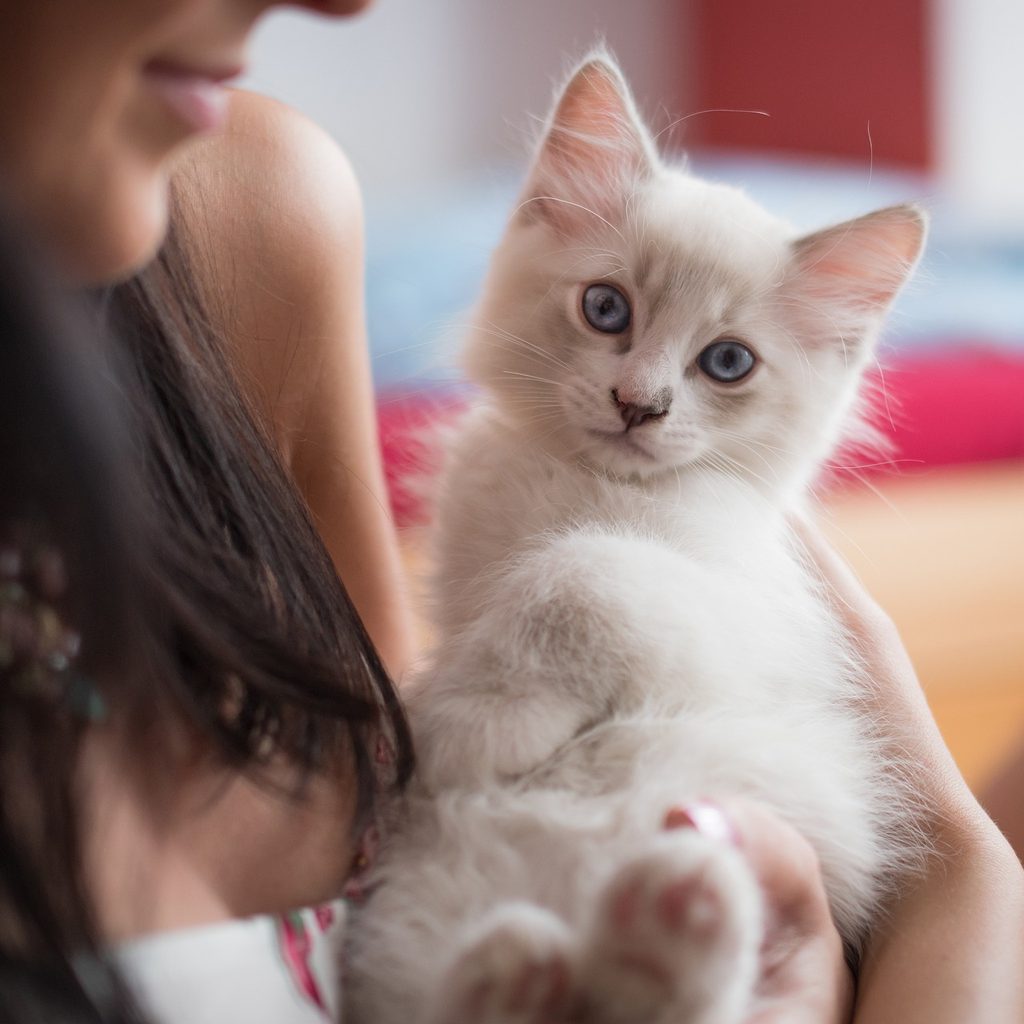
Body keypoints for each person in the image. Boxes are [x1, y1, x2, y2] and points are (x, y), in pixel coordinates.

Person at [0, 2, 1019, 1023]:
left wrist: (966, 878)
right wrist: (967, 890)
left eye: (725, 364)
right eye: (607, 311)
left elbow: (460, 743)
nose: (642, 391)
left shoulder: (263, 211)